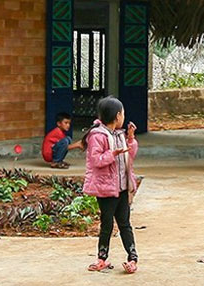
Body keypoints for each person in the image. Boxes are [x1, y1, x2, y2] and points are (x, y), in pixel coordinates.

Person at [82, 96, 139, 274]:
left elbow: (131, 155)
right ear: (117, 115)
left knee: (125, 224)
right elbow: (96, 160)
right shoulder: (97, 136)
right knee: (106, 224)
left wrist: (130, 139)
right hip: (106, 190)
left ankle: (133, 258)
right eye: (122, 114)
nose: (123, 117)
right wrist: (112, 153)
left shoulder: (120, 134)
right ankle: (102, 258)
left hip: (121, 188)